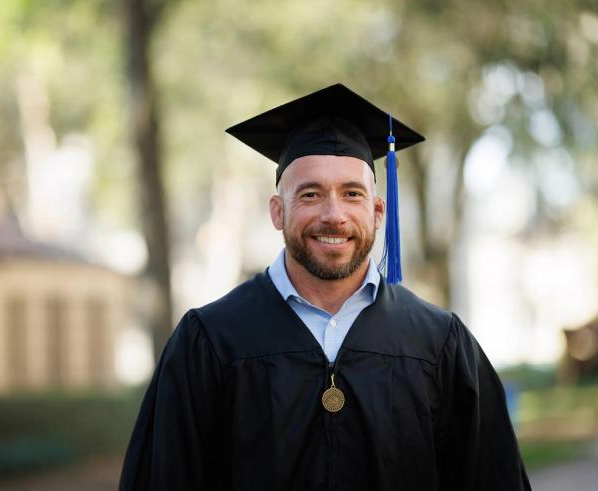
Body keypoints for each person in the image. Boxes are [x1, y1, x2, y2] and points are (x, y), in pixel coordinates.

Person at [119, 83, 531, 490]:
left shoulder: (439, 343)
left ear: (377, 212)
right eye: (311, 194)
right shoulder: (210, 341)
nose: (333, 215)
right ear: (278, 212)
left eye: (352, 194)